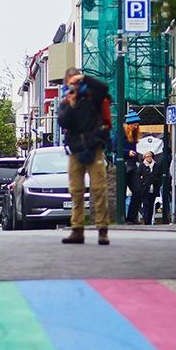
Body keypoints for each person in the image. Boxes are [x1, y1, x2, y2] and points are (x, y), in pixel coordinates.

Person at [57, 66, 112, 246]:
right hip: (75, 149)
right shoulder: (66, 101)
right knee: (76, 191)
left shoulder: (92, 96)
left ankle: (102, 229)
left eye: (76, 82)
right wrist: (71, 105)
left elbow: (104, 88)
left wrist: (85, 78)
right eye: (70, 83)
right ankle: (77, 229)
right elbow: (63, 121)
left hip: (93, 146)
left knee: (99, 189)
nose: (73, 86)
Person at [136, 151, 161, 225]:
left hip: (154, 188)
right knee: (146, 204)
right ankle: (146, 220)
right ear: (144, 158)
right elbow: (138, 176)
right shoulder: (142, 166)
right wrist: (143, 181)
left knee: (151, 205)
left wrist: (156, 182)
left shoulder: (156, 166)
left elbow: (158, 176)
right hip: (145, 189)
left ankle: (149, 220)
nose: (149, 158)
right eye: (147, 156)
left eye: (150, 156)